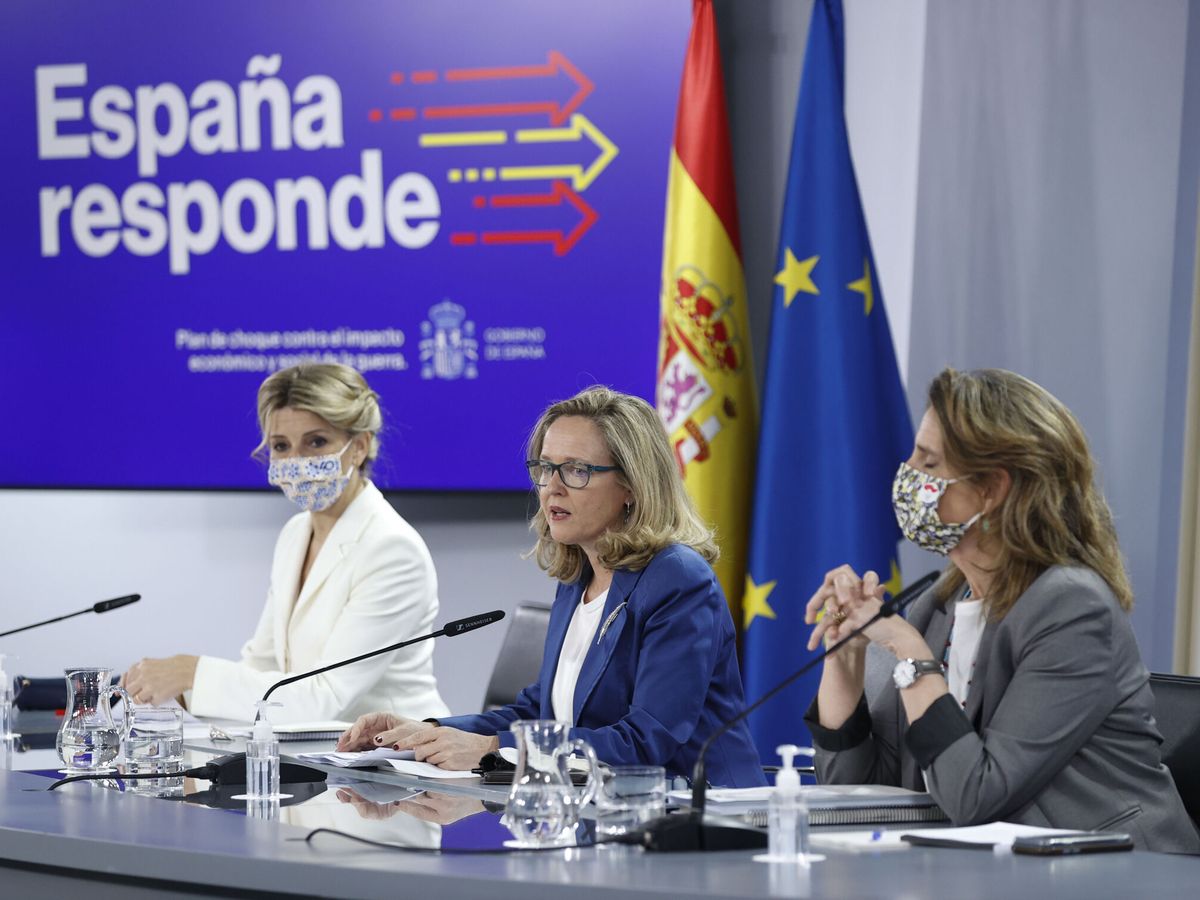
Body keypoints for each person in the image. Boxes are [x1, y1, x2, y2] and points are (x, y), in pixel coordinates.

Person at [802, 367, 1199, 853]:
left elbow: (976, 795)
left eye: (928, 461)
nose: (907, 472)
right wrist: (845, 655)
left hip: (1121, 871)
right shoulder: (940, 605)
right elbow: (857, 793)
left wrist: (908, 651)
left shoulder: (1072, 609)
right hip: (994, 872)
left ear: (991, 489)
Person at [338, 386, 765, 787]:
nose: (552, 488)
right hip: (602, 812)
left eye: (577, 470)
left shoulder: (678, 579)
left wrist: (491, 749)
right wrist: (426, 732)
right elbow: (539, 711)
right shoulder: (579, 578)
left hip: (703, 815)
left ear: (632, 486)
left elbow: (645, 742)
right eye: (545, 468)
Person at [122, 364, 449, 724]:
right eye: (281, 446)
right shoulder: (295, 533)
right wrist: (178, 693)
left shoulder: (392, 549)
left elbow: (325, 698)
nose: (296, 461)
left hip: (396, 751)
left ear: (359, 447)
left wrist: (192, 673)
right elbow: (262, 666)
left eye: (316, 442)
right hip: (322, 749)